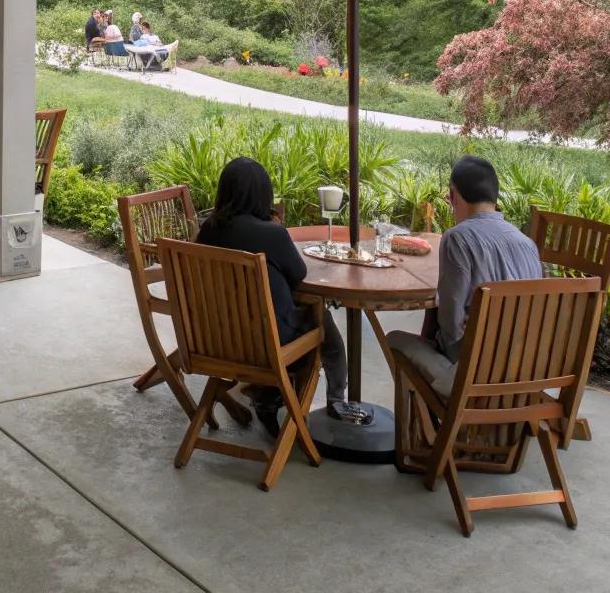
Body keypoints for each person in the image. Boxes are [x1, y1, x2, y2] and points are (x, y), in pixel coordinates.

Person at [198, 157, 349, 437]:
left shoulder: (208, 230)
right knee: (327, 334)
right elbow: (299, 273)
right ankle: (336, 404)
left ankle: (267, 395)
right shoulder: (272, 234)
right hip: (268, 344)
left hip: (216, 340)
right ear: (263, 195)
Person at [386, 155, 542, 397]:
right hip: (523, 371)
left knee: (395, 339)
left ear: (453, 196)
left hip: (474, 375)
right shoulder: (528, 244)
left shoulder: (458, 238)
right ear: (494, 196)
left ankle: (424, 431)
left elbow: (450, 321)